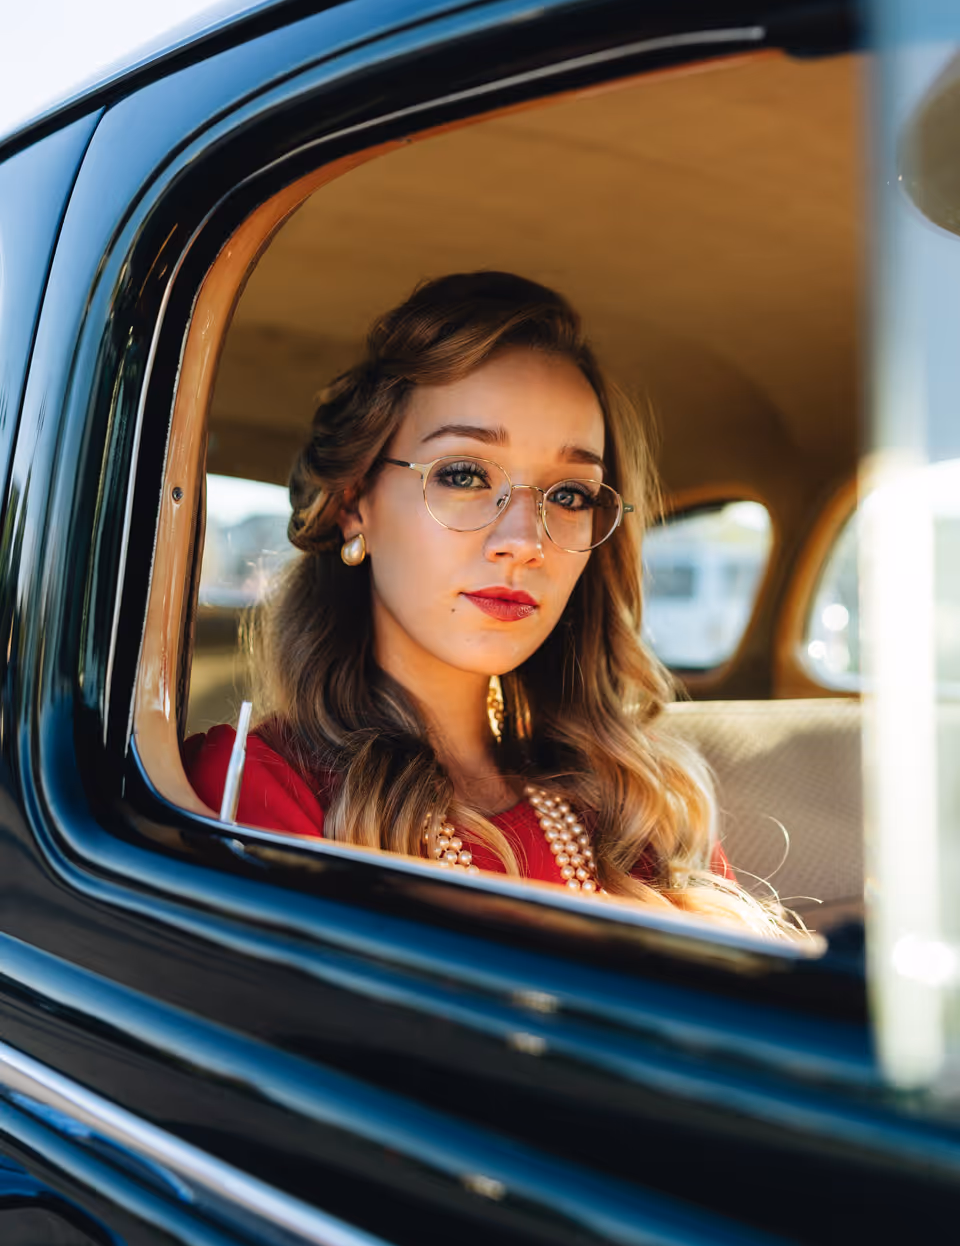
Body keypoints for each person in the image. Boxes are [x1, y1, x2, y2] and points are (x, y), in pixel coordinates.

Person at [186, 272, 786, 935]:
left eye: (569, 494)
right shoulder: (258, 789)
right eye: (464, 475)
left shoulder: (630, 801)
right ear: (355, 503)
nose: (525, 541)